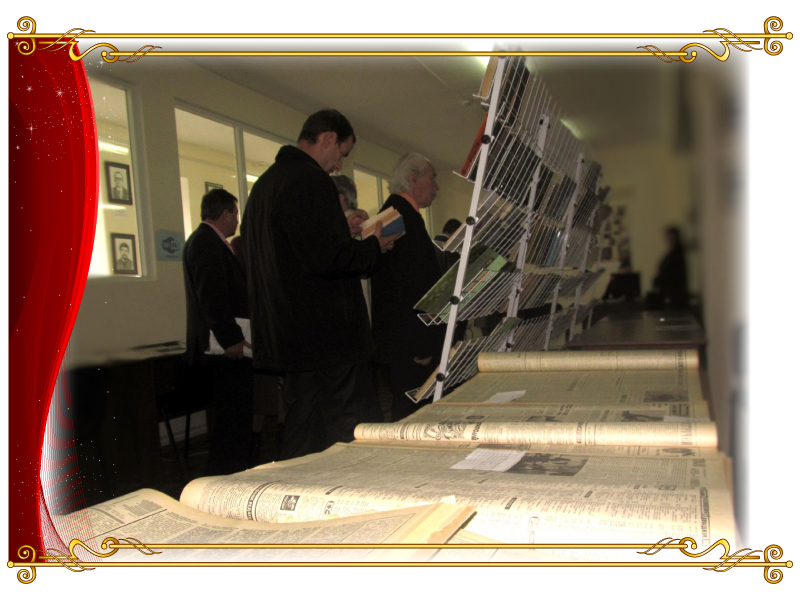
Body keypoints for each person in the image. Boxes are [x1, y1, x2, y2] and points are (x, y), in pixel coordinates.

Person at [241, 109, 398, 460]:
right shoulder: (310, 180)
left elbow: (295, 252)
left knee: (303, 429)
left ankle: (298, 489)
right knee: (348, 430)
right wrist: (373, 246)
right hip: (329, 339)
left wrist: (344, 231)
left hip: (291, 337)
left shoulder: (265, 185)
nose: (339, 165)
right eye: (342, 153)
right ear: (328, 139)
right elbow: (329, 259)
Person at [370, 152, 454, 421]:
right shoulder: (401, 217)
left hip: (402, 340)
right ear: (413, 179)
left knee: (411, 410)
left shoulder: (396, 214)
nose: (437, 187)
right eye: (433, 178)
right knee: (414, 414)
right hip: (410, 342)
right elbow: (409, 287)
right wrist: (423, 343)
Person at [182, 188, 253, 475]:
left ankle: (235, 466)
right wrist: (231, 338)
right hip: (222, 348)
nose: (237, 220)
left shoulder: (209, 241)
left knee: (235, 412)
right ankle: (229, 471)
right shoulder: (204, 242)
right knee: (231, 413)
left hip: (223, 344)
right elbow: (211, 295)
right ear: (224, 214)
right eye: (235, 213)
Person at [651, 226, 689, 309]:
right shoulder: (674, 254)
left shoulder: (677, 255)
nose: (669, 239)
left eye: (671, 236)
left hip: (674, 295)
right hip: (671, 294)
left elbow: (671, 275)